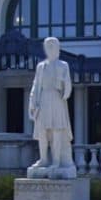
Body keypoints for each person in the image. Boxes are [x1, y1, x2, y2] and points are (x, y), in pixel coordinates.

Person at [28, 36, 74, 176]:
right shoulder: (41, 66)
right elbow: (36, 85)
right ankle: (43, 159)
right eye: (48, 46)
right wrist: (32, 102)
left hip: (56, 98)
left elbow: (68, 84)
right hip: (43, 99)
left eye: (53, 46)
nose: (50, 49)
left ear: (58, 48)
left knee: (57, 130)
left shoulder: (63, 65)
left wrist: (64, 88)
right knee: (42, 131)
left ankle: (56, 160)